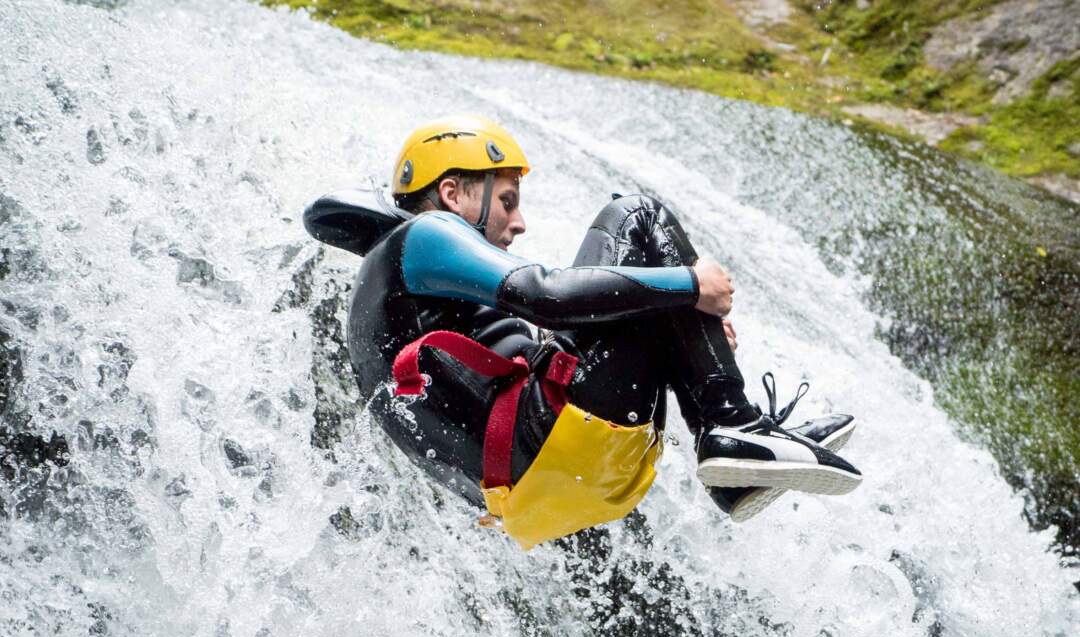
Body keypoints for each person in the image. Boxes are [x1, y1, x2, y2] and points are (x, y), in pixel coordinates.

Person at [307, 115, 861, 549]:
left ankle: (736, 458)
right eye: (506, 201)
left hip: (538, 486)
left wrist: (689, 340)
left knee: (639, 303)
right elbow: (547, 296)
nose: (519, 223)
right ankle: (733, 426)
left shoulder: (398, 292)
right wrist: (691, 285)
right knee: (637, 215)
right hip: (549, 436)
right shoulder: (426, 235)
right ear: (453, 195)